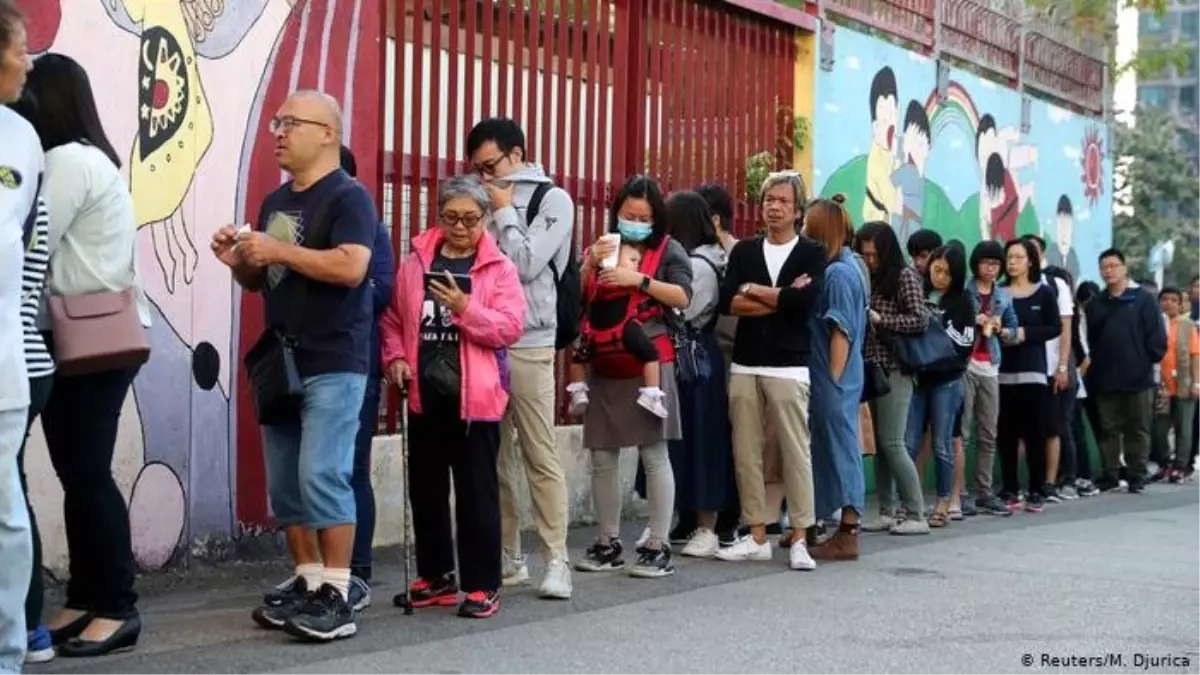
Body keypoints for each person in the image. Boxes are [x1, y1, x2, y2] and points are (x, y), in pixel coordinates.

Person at [213, 91, 376, 641]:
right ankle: (308, 582)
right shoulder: (275, 201)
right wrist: (240, 260)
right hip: (280, 358)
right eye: (276, 123)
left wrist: (278, 251)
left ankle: (338, 591)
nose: (278, 132)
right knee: (285, 483)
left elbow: (352, 266)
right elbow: (260, 280)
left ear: (328, 132)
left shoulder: (349, 197)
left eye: (290, 123)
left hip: (334, 355)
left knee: (322, 473)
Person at [19, 53, 153, 658]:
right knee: (78, 472)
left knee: (90, 473)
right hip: (79, 336)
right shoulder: (86, 158)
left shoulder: (66, 160)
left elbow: (25, 232)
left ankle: (118, 607)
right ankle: (85, 594)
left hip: (90, 337)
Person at [379, 174, 526, 619]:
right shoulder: (416, 262)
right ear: (439, 216)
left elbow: (509, 327)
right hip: (424, 392)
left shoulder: (498, 269)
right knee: (425, 489)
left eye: (470, 218)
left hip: (475, 398)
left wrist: (466, 310)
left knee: (476, 491)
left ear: (485, 218)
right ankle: (437, 575)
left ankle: (483, 584)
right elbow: (391, 319)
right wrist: (396, 359)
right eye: (451, 217)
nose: (460, 227)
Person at [467, 118, 574, 599]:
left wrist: (506, 213)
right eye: (477, 169)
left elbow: (527, 264)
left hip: (531, 339)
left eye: (490, 166)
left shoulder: (553, 200)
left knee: (538, 451)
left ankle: (557, 560)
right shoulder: (483, 202)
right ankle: (509, 557)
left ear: (517, 154)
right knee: (493, 458)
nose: (485, 177)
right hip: (486, 337)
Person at [573, 175, 692, 579]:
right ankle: (607, 542)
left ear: (656, 217)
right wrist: (589, 263)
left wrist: (638, 280)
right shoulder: (603, 246)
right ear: (617, 212)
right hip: (605, 360)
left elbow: (682, 297)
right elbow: (578, 296)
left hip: (649, 362)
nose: (635, 222)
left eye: (643, 216)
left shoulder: (669, 250)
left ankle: (658, 544)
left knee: (653, 453)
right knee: (602, 456)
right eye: (628, 214)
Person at [715, 171, 825, 570]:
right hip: (746, 361)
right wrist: (780, 297)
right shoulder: (744, 251)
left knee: (795, 453)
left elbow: (806, 302)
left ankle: (799, 535)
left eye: (782, 200)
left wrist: (755, 290)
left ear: (798, 209)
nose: (773, 206)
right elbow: (729, 302)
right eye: (768, 200)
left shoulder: (812, 252)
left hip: (790, 365)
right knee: (746, 451)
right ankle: (757, 533)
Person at [660, 190, 737, 559]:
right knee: (682, 440)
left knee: (701, 440)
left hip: (695, 361)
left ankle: (706, 525)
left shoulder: (701, 266)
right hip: (690, 358)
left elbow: (684, 312)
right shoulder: (701, 259)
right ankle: (687, 517)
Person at [339, 146, 394, 606]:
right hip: (305, 363)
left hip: (358, 362)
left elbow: (381, 292)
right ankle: (315, 569)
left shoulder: (372, 230)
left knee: (352, 468)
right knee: (311, 471)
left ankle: (357, 569)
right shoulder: (291, 225)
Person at [0, 4, 37, 668]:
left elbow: (28, 249)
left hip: (3, 367)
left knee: (5, 515)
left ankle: (6, 650)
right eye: (20, 48)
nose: (28, 61)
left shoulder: (21, 139)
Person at [803, 195, 868, 560]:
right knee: (826, 450)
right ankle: (816, 523)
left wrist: (831, 381)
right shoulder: (840, 268)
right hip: (831, 378)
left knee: (841, 449)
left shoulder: (839, 274)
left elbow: (839, 333)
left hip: (834, 379)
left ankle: (848, 531)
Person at [855, 222, 930, 535]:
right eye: (865, 254)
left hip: (897, 367)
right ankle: (887, 509)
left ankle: (916, 513)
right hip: (873, 367)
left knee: (893, 442)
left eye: (875, 254)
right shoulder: (865, 276)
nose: (870, 260)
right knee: (881, 446)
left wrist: (881, 319)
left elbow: (920, 319)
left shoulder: (904, 276)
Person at [1086, 248, 1167, 493]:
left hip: (1138, 377)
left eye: (1113, 266)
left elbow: (1157, 337)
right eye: (1104, 267)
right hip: (1104, 376)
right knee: (1108, 428)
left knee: (1138, 428)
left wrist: (1146, 360)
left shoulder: (1142, 299)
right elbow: (1089, 338)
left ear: (1124, 268)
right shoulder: (1096, 303)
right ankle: (1111, 473)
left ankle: (1136, 474)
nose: (1108, 271)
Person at [907, 244, 975, 526]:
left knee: (942, 444)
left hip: (947, 382)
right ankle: (910, 503)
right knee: (909, 444)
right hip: (918, 378)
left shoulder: (962, 301)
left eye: (947, 273)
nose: (940, 277)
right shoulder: (919, 293)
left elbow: (965, 344)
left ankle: (944, 501)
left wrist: (939, 322)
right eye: (936, 270)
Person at [14, 194, 53, 665]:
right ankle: (29, 623)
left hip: (12, 362)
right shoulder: (31, 188)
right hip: (30, 359)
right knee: (12, 496)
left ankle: (24, 624)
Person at [996, 239, 1061, 512]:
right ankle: (1010, 489)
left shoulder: (1044, 293)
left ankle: (1036, 490)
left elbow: (1054, 327)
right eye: (1009, 257)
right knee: (1005, 434)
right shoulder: (999, 292)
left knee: (1034, 433)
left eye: (1018, 257)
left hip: (1033, 373)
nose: (1012, 262)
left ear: (1031, 261)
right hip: (1001, 373)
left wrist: (1024, 334)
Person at [568, 241, 667, 418]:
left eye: (638, 261)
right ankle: (651, 394)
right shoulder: (629, 283)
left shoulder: (595, 281)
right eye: (632, 260)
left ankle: (578, 391)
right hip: (625, 330)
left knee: (577, 357)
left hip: (593, 334)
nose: (637, 265)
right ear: (612, 261)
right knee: (652, 355)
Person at [963, 240, 1018, 515]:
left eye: (996, 264)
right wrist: (974, 319)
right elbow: (951, 320)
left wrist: (1002, 330)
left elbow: (1013, 328)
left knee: (988, 433)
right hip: (967, 364)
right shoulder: (965, 292)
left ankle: (984, 491)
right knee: (961, 432)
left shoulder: (1004, 296)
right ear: (976, 264)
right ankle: (959, 493)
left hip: (991, 365)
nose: (991, 269)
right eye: (987, 263)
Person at [1021, 234, 1077, 503]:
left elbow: (1065, 328)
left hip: (1051, 367)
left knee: (1051, 428)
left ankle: (1049, 483)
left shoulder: (1055, 285)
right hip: (1020, 368)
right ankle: (1019, 484)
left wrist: (1063, 366)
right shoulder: (1009, 287)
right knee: (1019, 428)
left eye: (1033, 251)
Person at [1152, 287, 1200, 482]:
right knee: (1160, 429)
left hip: (1184, 383)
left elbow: (1195, 355)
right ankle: (1164, 463)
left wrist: (1197, 382)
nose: (1169, 303)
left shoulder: (1187, 325)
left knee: (1184, 428)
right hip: (1161, 385)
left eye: (1174, 300)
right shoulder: (1155, 323)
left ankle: (1180, 466)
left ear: (1181, 304)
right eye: (1165, 299)